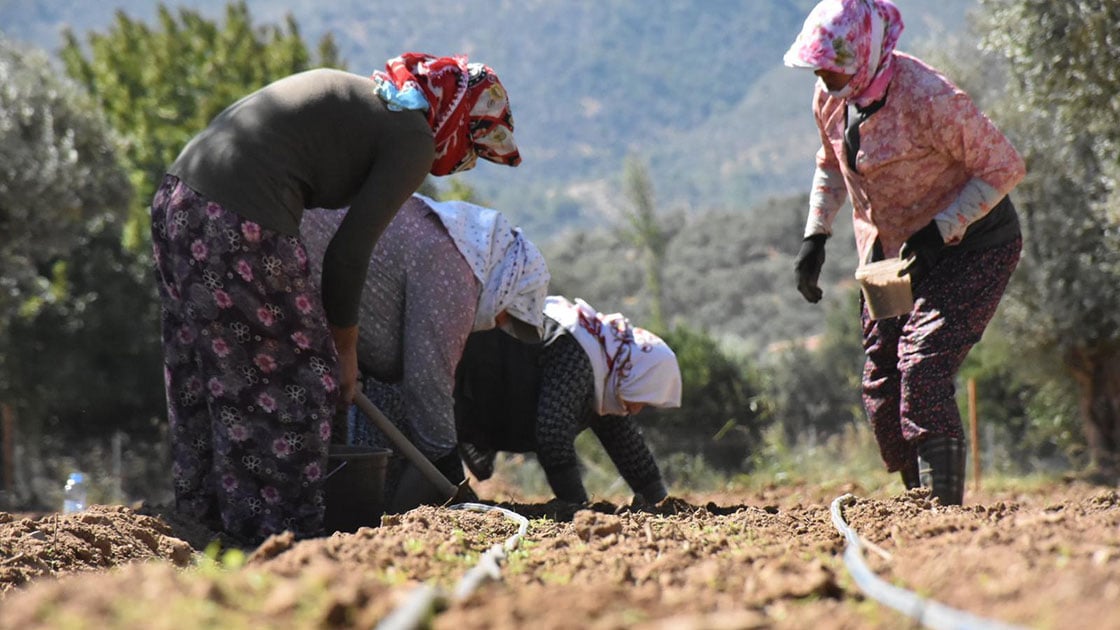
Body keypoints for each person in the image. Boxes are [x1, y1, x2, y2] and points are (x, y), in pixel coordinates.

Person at [149, 53, 520, 543]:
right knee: (304, 379)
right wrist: (343, 352)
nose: (461, 163)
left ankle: (205, 524)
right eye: (471, 147)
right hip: (239, 221)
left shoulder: (378, 102)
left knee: (208, 371)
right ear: (456, 118)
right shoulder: (413, 137)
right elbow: (348, 254)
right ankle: (281, 537)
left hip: (178, 200)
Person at [784, 0, 1025, 505]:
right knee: (883, 379)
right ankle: (917, 503)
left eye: (834, 64)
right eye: (819, 65)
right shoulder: (830, 97)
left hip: (973, 246)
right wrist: (816, 236)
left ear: (867, 51)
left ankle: (943, 511)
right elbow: (830, 164)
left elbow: (1004, 167)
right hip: (891, 257)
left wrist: (942, 230)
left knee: (924, 364)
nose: (825, 75)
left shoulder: (929, 97)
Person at [299, 194, 550, 511]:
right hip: (282, 261)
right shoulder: (456, 273)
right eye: (507, 315)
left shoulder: (453, 255)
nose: (499, 324)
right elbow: (426, 384)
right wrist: (452, 478)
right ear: (505, 285)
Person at [454, 296, 682, 505]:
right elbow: (553, 435)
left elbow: (626, 443)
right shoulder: (579, 356)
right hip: (464, 381)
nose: (637, 409)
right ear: (636, 377)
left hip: (471, 392)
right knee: (439, 469)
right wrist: (578, 507)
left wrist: (660, 502)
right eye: (643, 398)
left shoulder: (607, 366)